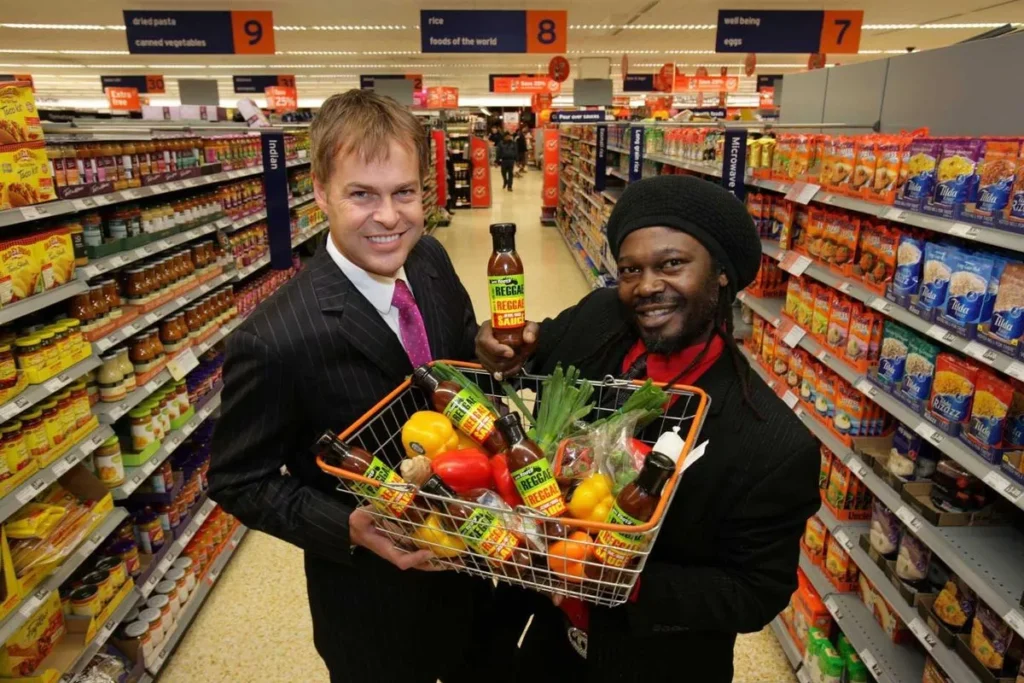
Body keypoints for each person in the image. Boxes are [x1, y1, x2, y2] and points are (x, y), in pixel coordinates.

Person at [475, 175, 821, 682]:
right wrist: (498, 346)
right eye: (630, 270)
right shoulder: (600, 320)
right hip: (547, 638)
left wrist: (619, 579)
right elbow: (533, 349)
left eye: (672, 264)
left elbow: (754, 593)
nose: (647, 286)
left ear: (721, 272)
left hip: (654, 660)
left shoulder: (769, 443)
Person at [208, 90, 491, 683]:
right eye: (362, 194)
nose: (389, 218)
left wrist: (489, 354)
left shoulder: (432, 259)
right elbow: (238, 479)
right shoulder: (275, 338)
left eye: (404, 193)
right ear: (320, 192)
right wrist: (345, 526)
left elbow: (460, 351)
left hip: (475, 569)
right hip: (374, 606)